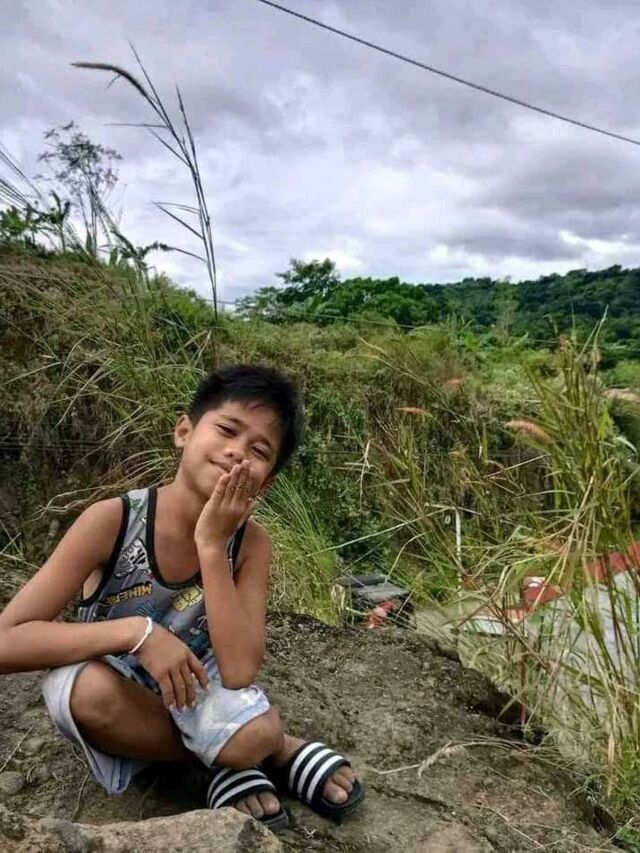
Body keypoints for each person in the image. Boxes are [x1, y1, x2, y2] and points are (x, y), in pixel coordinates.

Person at [0, 364, 364, 831]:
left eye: (259, 451)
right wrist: (139, 634)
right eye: (227, 430)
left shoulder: (250, 544)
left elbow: (238, 671)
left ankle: (234, 755)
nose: (237, 452)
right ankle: (266, 753)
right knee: (84, 694)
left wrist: (211, 545)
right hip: (117, 684)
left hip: (197, 691)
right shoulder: (112, 520)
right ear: (184, 432)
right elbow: (7, 640)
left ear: (267, 481)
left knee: (251, 730)